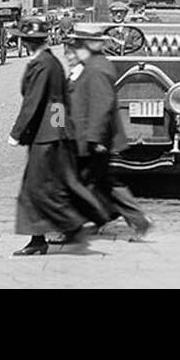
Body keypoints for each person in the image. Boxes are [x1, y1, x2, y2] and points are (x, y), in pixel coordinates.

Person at [7, 43, 110, 256]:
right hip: (50, 134)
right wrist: (60, 130)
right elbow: (58, 102)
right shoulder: (51, 62)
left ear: (26, 41)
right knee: (47, 186)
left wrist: (17, 132)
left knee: (36, 189)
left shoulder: (43, 64)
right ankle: (42, 237)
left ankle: (74, 223)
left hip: (45, 137)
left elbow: (33, 101)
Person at [64, 26, 152, 241]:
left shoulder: (96, 69)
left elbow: (101, 106)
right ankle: (114, 219)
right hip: (86, 137)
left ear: (88, 45)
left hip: (92, 139)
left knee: (90, 183)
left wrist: (95, 138)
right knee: (99, 182)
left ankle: (75, 227)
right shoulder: (90, 66)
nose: (73, 49)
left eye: (77, 44)